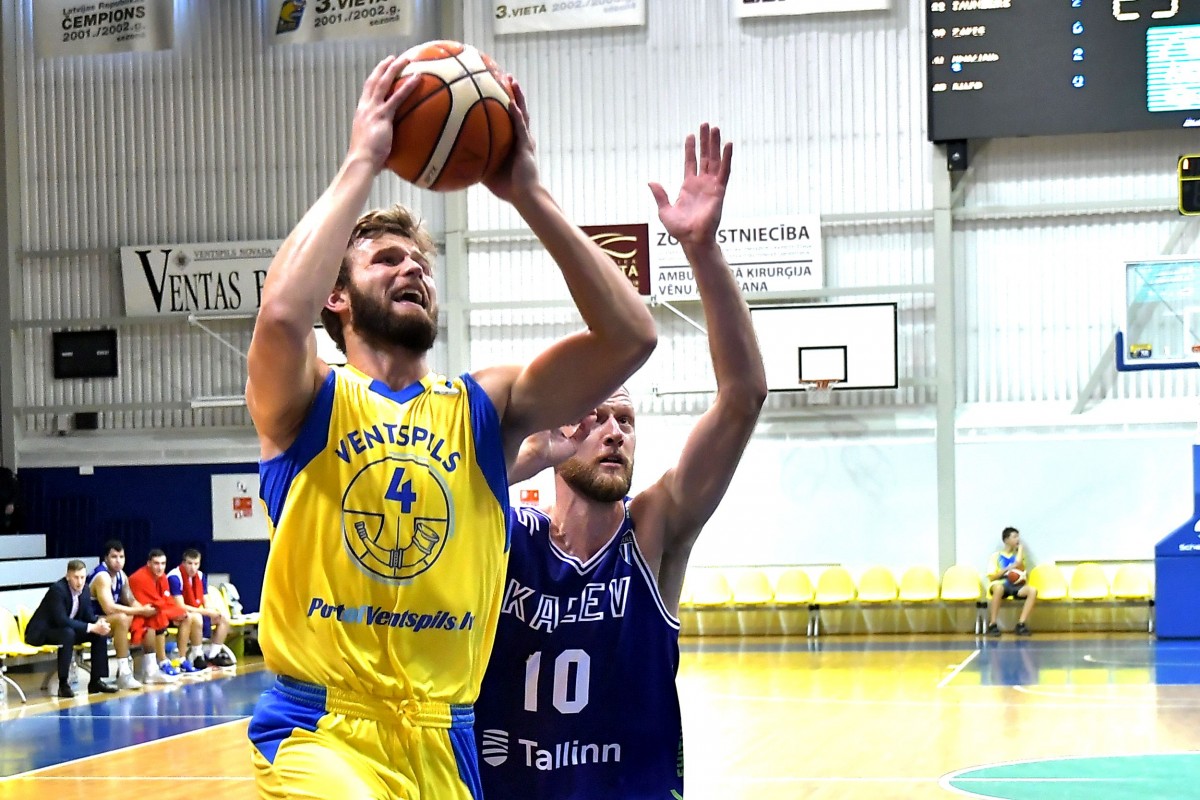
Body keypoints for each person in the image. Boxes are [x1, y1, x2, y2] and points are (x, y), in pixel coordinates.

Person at [244, 55, 656, 800]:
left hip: (445, 737)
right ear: (336, 296)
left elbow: (631, 337)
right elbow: (277, 316)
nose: (413, 270)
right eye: (385, 259)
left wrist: (527, 191)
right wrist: (362, 162)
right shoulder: (308, 398)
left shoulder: (481, 407)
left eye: (422, 264)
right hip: (320, 730)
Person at [474, 124, 767, 799]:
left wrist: (702, 252)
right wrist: (529, 456)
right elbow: (440, 491)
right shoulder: (503, 534)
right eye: (596, 416)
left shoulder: (654, 529)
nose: (613, 433)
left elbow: (743, 397)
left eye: (626, 421)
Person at [24, 560, 117, 697]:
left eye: (82, 577)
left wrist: (100, 624)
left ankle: (96, 681)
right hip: (42, 633)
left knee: (98, 633)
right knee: (68, 633)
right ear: (68, 576)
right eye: (76, 577)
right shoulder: (57, 590)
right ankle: (63, 685)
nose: (80, 582)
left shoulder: (85, 590)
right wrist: (91, 627)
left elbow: (88, 616)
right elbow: (61, 620)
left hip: (65, 631)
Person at [87, 539, 153, 690]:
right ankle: (124, 673)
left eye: (121, 557)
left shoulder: (121, 575)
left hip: (107, 620)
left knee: (147, 619)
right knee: (123, 618)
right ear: (106, 558)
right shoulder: (102, 576)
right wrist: (140, 611)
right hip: (92, 620)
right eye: (114, 557)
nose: (118, 561)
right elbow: (109, 608)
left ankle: (152, 667)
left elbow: (131, 600)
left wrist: (146, 611)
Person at [127, 548, 195, 681]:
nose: (160, 567)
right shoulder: (139, 578)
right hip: (139, 614)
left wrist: (174, 614)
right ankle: (163, 661)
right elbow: (150, 604)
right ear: (149, 563)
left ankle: (181, 659)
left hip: (157, 610)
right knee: (158, 617)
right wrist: (169, 614)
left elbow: (166, 600)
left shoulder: (162, 576)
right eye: (156, 563)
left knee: (187, 616)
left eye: (163, 564)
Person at [166, 548, 236, 668]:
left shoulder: (200, 576)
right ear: (183, 563)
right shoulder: (174, 577)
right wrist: (205, 611)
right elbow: (180, 606)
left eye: (196, 564)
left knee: (223, 617)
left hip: (194, 612)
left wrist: (212, 611)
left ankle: (213, 654)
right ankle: (197, 655)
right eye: (189, 563)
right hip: (175, 615)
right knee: (197, 617)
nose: (193, 568)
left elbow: (205, 598)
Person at [985, 526, 1037, 636]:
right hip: (1000, 584)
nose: (1018, 539)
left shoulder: (1019, 556)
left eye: (1018, 537)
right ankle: (992, 624)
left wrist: (1020, 550)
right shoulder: (996, 556)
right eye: (1014, 537)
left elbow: (1020, 566)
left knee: (1032, 590)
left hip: (1016, 586)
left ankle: (1021, 624)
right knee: (998, 588)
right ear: (1006, 540)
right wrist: (1007, 569)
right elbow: (992, 577)